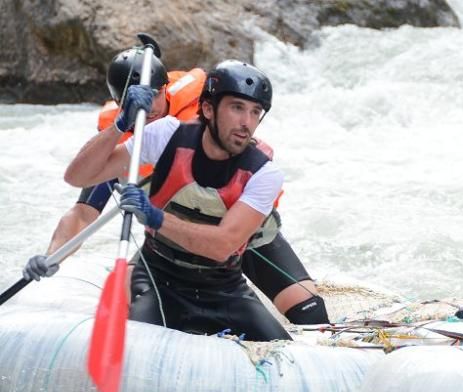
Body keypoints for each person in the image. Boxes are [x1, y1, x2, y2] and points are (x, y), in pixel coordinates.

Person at [25, 46, 329, 326]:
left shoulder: (203, 114)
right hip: (171, 244)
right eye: (133, 98)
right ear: (121, 101)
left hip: (239, 231)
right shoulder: (128, 137)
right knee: (127, 295)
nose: (151, 106)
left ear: (166, 89)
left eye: (156, 94)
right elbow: (82, 211)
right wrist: (53, 256)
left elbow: (246, 145)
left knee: (307, 308)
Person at [63, 60, 293, 341]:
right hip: (159, 281)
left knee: (286, 355)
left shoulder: (265, 174)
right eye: (237, 108)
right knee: (136, 351)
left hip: (224, 290)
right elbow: (78, 176)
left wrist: (156, 217)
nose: (247, 122)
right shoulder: (166, 135)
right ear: (208, 108)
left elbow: (222, 246)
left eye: (255, 112)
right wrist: (120, 123)